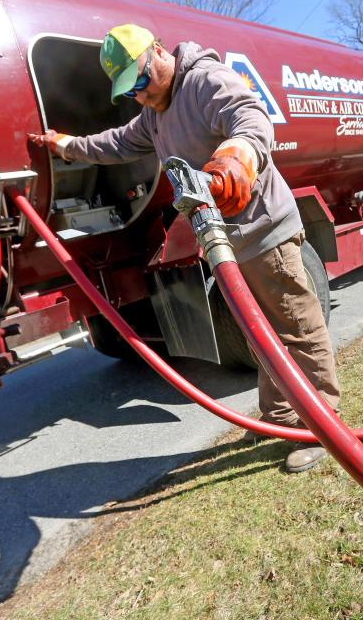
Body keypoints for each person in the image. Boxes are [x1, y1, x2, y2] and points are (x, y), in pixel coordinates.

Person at [28, 24, 340, 472]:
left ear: (158, 51)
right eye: (128, 91)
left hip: (264, 231)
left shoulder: (204, 81)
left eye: (140, 80)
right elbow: (115, 144)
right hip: (226, 246)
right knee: (261, 337)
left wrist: (238, 158)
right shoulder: (154, 115)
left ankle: (321, 427)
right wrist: (67, 147)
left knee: (296, 327)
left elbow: (251, 118)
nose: (138, 94)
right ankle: (281, 417)